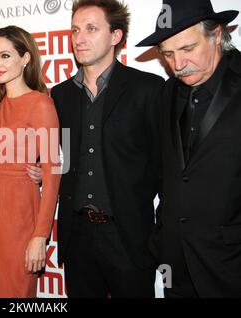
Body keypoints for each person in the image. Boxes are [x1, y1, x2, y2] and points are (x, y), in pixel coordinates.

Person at [50, 0, 165, 298]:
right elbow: (63, 157)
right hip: (77, 237)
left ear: (116, 36)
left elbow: (164, 168)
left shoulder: (148, 89)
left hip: (128, 236)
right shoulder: (60, 95)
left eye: (91, 29)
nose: (79, 38)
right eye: (75, 29)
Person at [137, 0, 240, 298]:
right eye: (168, 54)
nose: (178, 64)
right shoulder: (169, 91)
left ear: (217, 35)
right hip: (175, 265)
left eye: (187, 49)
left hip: (230, 264)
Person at [0, 25, 61, 298]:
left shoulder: (40, 104)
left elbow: (52, 172)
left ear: (25, 58)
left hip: (19, 214)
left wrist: (40, 235)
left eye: (5, 56)